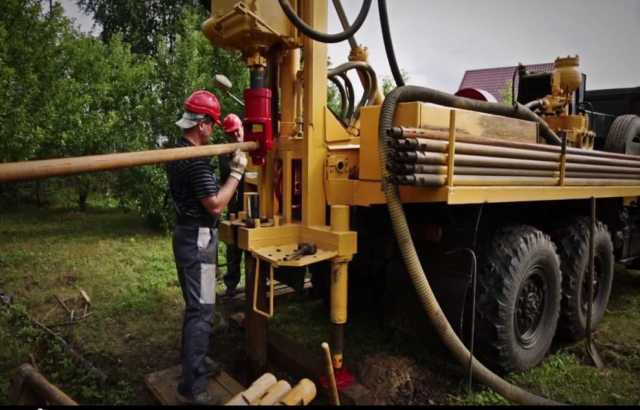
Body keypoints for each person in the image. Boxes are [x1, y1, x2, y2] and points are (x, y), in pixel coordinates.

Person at [166, 90, 247, 405]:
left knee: (195, 307)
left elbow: (208, 179)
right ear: (200, 125)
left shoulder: (178, 149)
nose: (212, 130)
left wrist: (233, 145)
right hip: (199, 238)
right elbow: (215, 204)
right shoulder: (196, 161)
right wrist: (238, 173)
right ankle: (194, 386)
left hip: (186, 234)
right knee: (202, 311)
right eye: (211, 124)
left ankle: (194, 366)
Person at [219, 113, 245, 297]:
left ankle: (260, 282)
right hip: (235, 207)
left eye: (238, 131)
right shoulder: (224, 156)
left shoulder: (254, 149)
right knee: (233, 246)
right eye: (232, 134)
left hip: (255, 206)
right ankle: (231, 285)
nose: (236, 136)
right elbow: (225, 182)